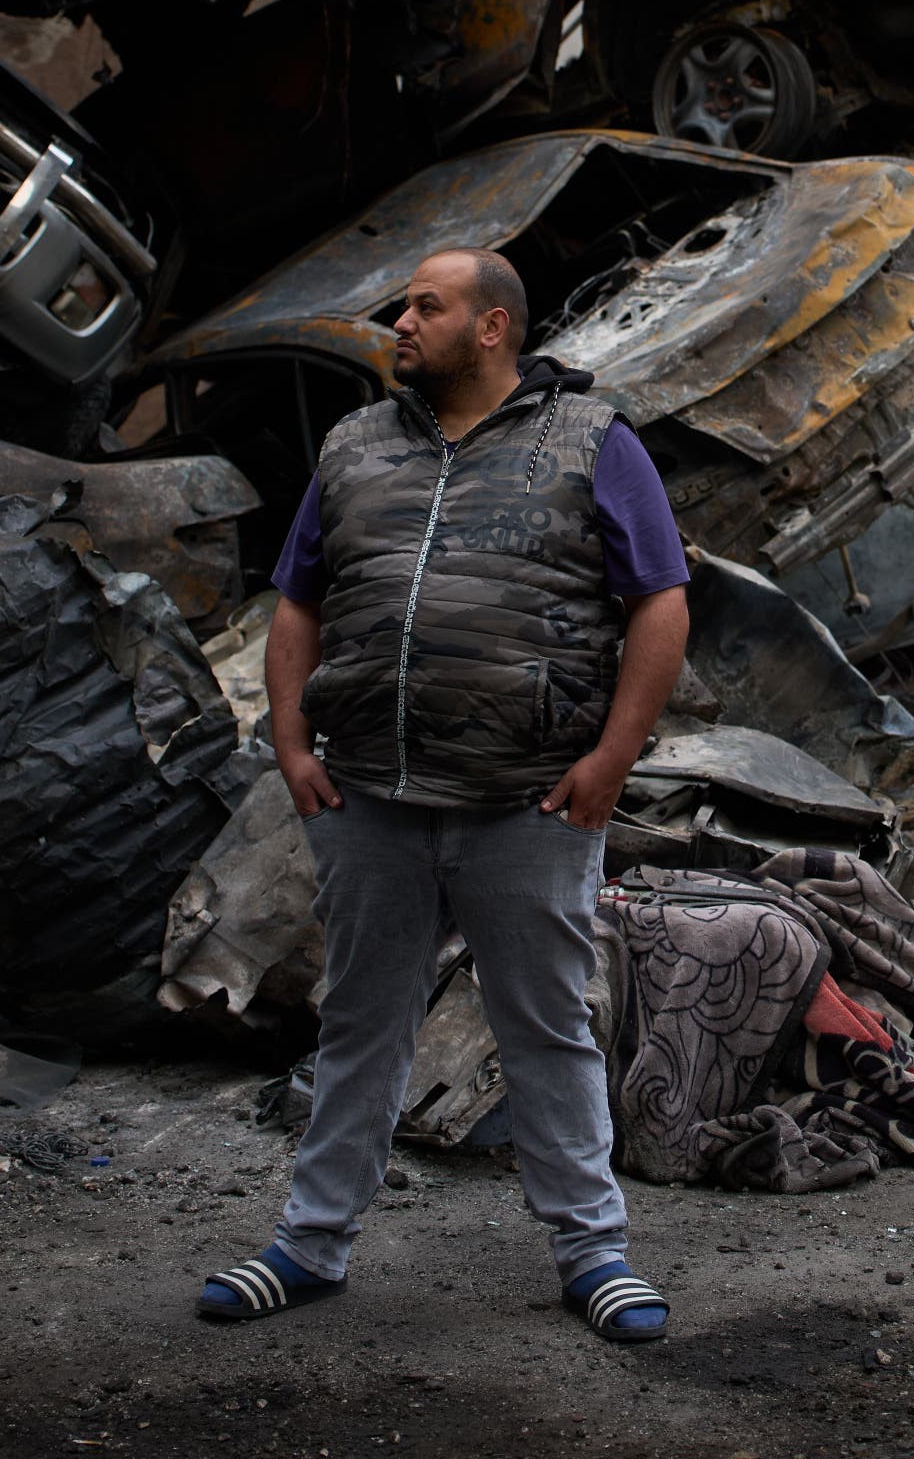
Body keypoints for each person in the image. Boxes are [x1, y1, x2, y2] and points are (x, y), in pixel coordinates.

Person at [194, 246, 689, 1343]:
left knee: (547, 1026)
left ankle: (592, 1253)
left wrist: (611, 759)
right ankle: (310, 1243)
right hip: (371, 796)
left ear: (494, 325)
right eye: (403, 304)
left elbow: (661, 599)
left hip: (527, 799)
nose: (401, 323)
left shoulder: (594, 442)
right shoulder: (357, 444)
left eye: (427, 305)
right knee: (361, 1021)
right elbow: (297, 601)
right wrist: (288, 737)